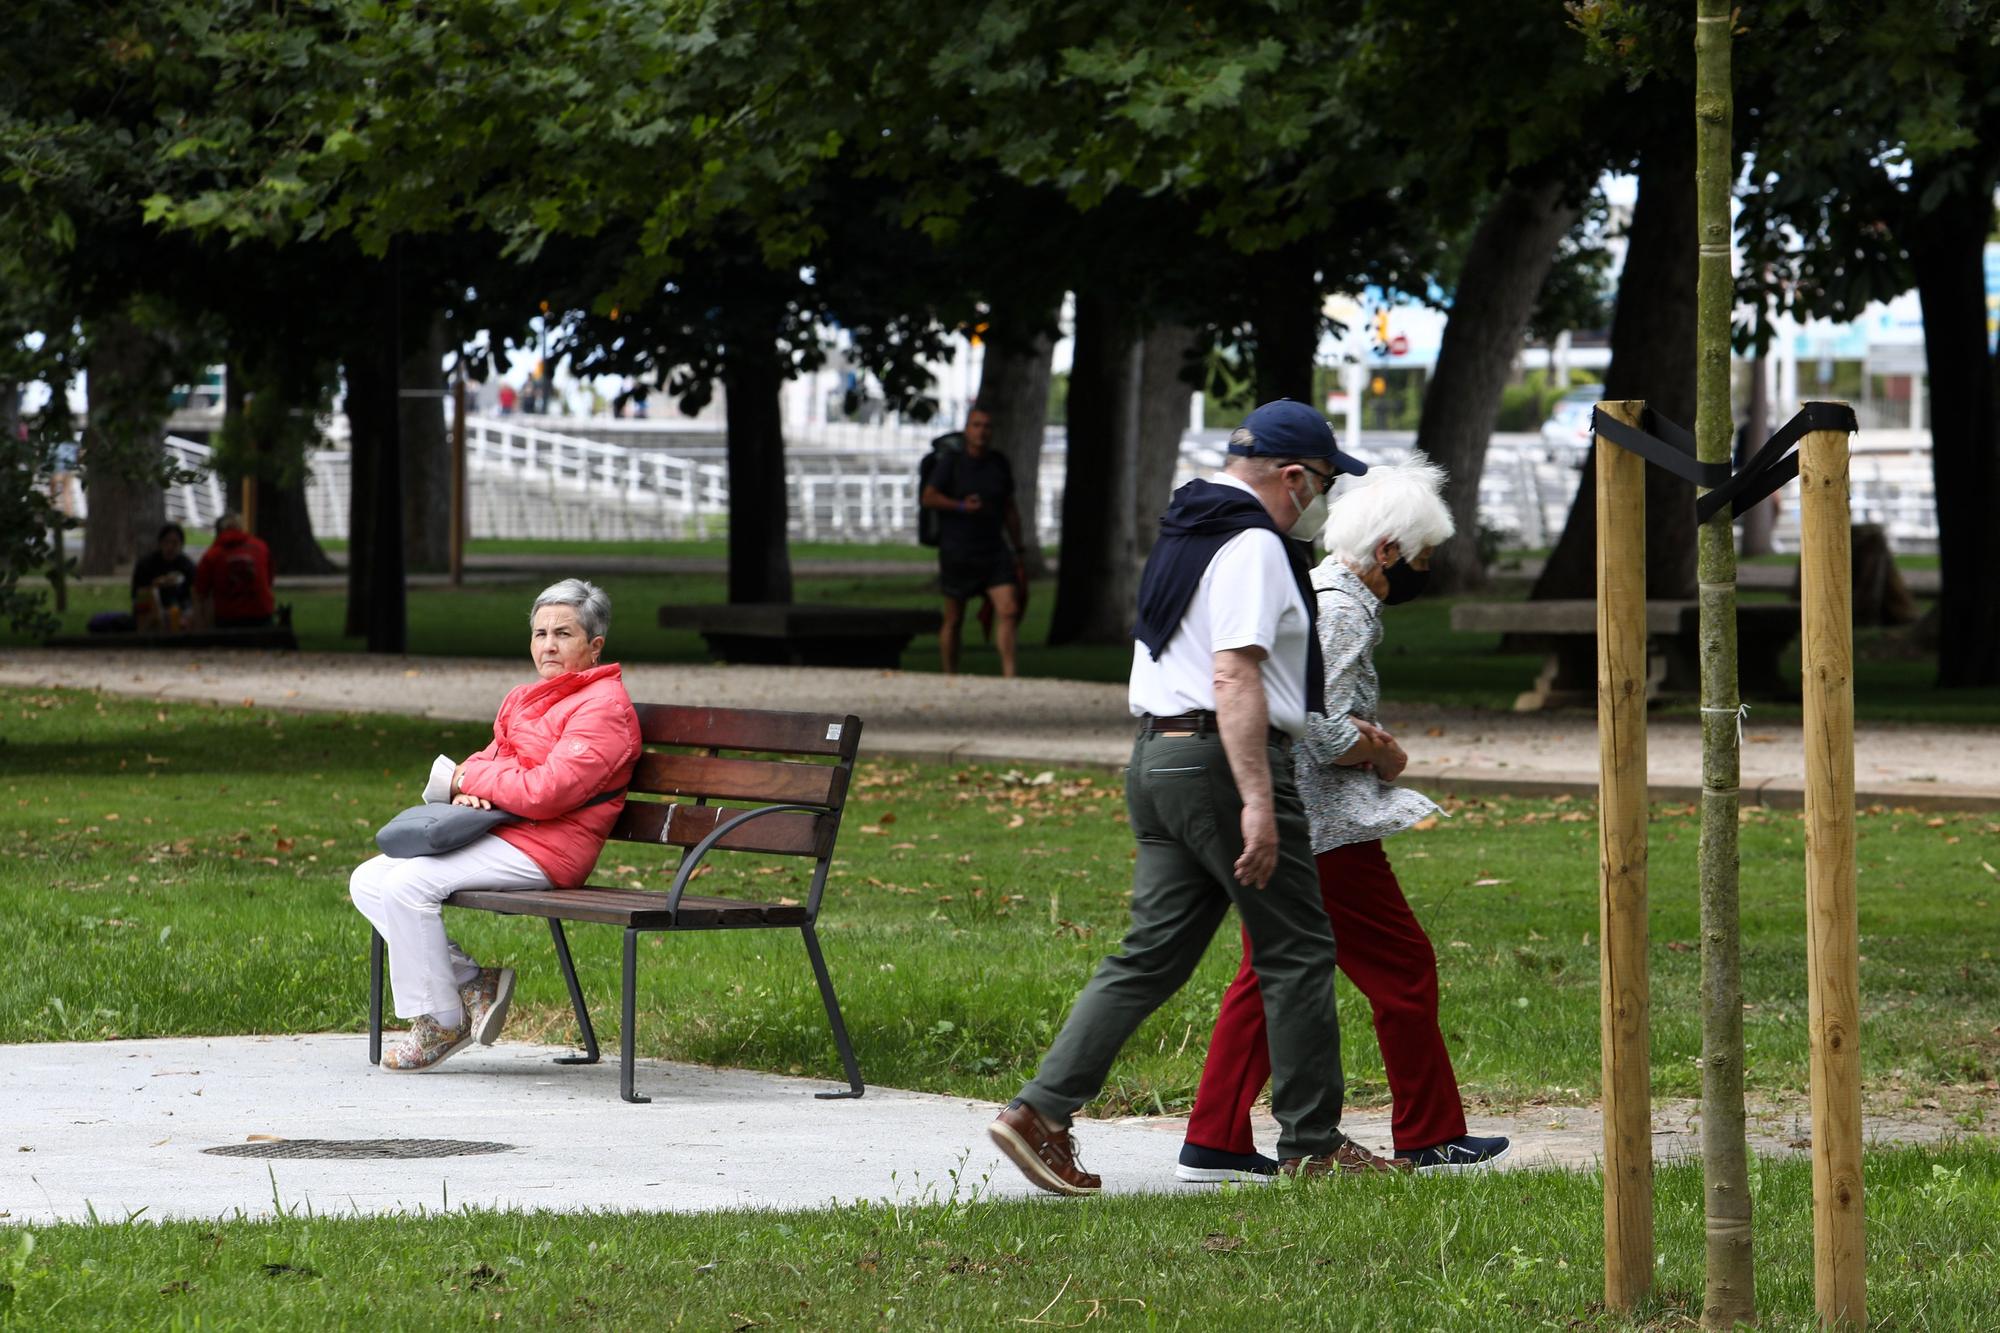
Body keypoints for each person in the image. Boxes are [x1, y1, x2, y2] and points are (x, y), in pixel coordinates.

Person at [987, 399, 1403, 1196]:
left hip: (1160, 756)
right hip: (1222, 760)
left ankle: (1040, 1111)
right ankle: (1313, 1146)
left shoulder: (1189, 527)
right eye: (1320, 483)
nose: (1320, 500)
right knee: (1299, 949)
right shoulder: (1250, 543)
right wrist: (1255, 796)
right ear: (1291, 477)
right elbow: (1234, 673)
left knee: (1150, 954)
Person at [1180, 456, 1512, 1176]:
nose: (1426, 569)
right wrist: (1378, 753)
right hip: (1326, 825)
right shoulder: (1342, 608)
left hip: (1298, 817)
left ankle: (1214, 1136)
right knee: (1404, 967)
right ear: (1388, 550)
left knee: (1272, 969)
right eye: (1423, 556)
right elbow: (1312, 717)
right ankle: (1429, 1131)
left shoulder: (1325, 593)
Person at [349, 579, 641, 1072]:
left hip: (550, 849)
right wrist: (472, 783)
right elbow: (491, 763)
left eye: (563, 634)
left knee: (407, 883)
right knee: (369, 878)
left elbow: (547, 793)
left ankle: (441, 1019)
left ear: (594, 647)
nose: (547, 645)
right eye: (539, 633)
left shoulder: (605, 709)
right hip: (507, 832)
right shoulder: (526, 699)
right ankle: (470, 983)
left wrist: (473, 777)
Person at [919, 404, 1025, 677]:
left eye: (987, 426)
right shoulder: (951, 463)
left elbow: (1010, 507)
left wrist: (1018, 547)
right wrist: (960, 506)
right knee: (954, 617)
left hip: (993, 548)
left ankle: (1010, 675)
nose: (982, 431)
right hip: (958, 550)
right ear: (967, 430)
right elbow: (928, 497)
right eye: (976, 425)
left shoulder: (999, 463)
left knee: (1009, 609)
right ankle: (950, 673)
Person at [192, 512, 275, 629]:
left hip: (228, 619)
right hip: (262, 616)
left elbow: (200, 592)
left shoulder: (212, 555)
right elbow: (269, 581)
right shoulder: (261, 547)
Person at [131, 523, 197, 631]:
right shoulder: (146, 564)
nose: (170, 547)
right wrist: (154, 586)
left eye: (175, 543)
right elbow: (137, 594)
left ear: (181, 545)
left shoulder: (187, 565)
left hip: (180, 609)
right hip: (152, 608)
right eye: (166, 542)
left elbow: (192, 594)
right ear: (160, 543)